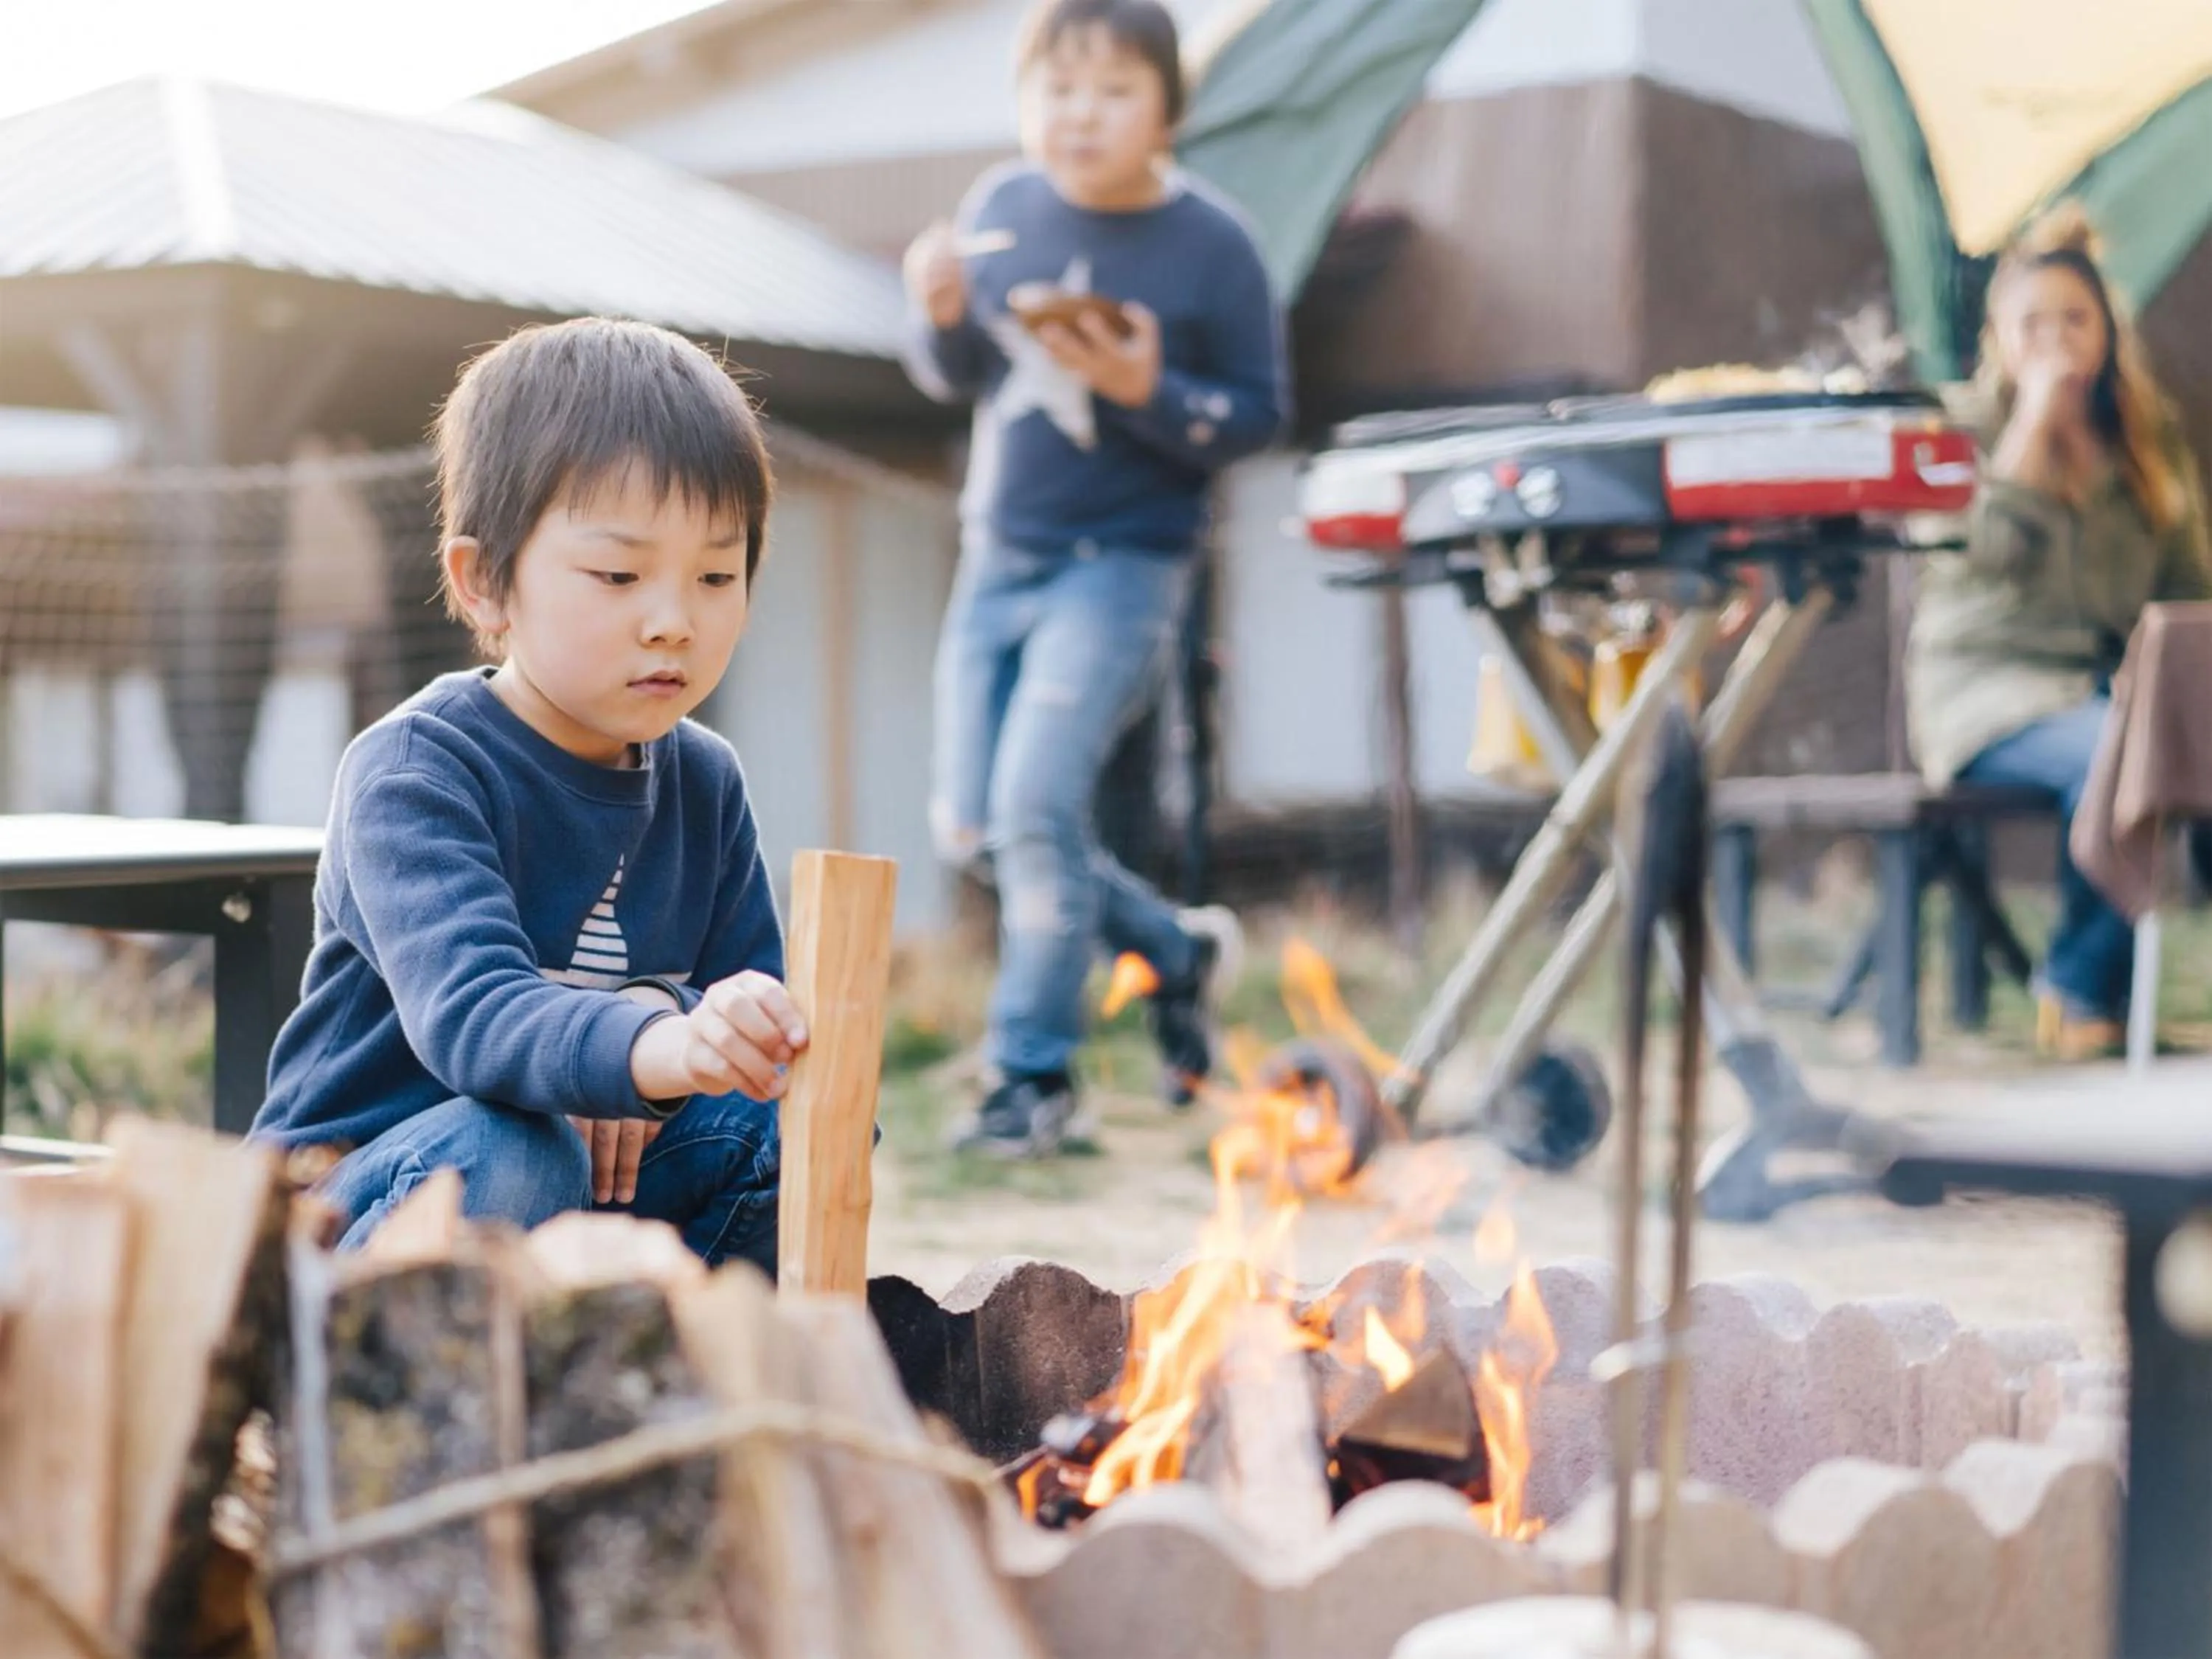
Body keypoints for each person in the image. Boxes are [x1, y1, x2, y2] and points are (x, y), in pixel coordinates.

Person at [249, 317, 808, 1270]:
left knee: (779, 1118)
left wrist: (692, 1025)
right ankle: (374, 1395)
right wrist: (657, 1043)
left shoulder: (703, 779)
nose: (673, 620)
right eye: (619, 574)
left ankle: (684, 1377)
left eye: (717, 573)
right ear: (485, 584)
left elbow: (737, 1004)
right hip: (364, 1204)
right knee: (519, 1144)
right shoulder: (418, 771)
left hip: (584, 1185)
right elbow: (475, 1016)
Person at [900, 0, 1289, 1157]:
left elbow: (1258, 418)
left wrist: (1144, 392)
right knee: (973, 824)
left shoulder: (1214, 245)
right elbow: (958, 372)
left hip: (1123, 569)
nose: (1080, 114)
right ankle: (1174, 950)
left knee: (1033, 808)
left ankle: (1032, 1079)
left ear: (1168, 108)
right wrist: (934, 319)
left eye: (1113, 90)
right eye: (1057, 88)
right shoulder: (1002, 206)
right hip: (997, 557)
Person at [1907, 204, 2212, 1059]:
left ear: (2108, 331)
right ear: (1999, 335)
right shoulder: (1964, 427)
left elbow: (2190, 590)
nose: (2055, 337)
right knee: (2121, 758)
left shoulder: (2145, 446)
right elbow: (1978, 557)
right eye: (2032, 322)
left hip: (2105, 692)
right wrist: (2034, 428)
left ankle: (2121, 997)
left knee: (2171, 745)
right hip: (1985, 696)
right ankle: (2077, 994)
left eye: (2074, 318)